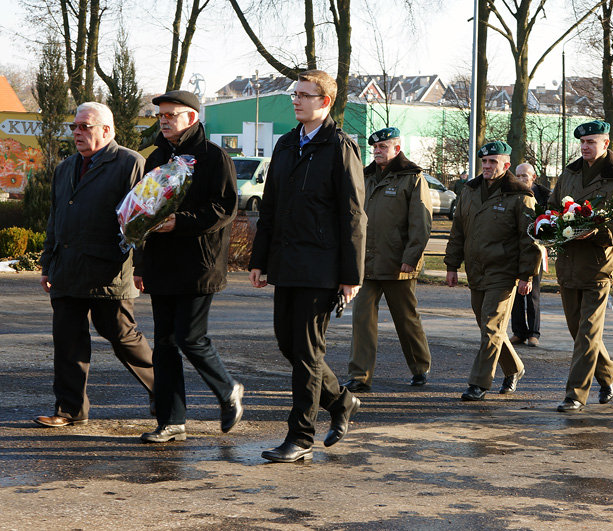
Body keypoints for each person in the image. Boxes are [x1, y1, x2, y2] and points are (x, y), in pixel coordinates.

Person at [249, 70, 366, 463]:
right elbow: (270, 209)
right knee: (289, 344)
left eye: (305, 95)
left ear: (325, 102)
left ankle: (300, 437)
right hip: (286, 262)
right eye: (295, 94)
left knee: (306, 353)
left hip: (321, 266)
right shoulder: (285, 144)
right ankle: (342, 400)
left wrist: (351, 276)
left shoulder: (339, 146)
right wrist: (259, 259)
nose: (296, 101)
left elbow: (353, 215)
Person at [35, 102, 155, 428]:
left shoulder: (130, 163)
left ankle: (166, 394)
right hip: (67, 268)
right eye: (75, 126)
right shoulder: (65, 168)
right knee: (68, 340)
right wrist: (47, 261)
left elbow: (143, 220)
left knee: (122, 336)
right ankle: (70, 410)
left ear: (106, 129)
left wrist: (142, 267)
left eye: (85, 126)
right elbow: (55, 218)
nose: (77, 132)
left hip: (109, 270)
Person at [136, 90, 243, 443]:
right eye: (160, 115)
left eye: (171, 114)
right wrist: (140, 264)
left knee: (190, 337)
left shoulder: (213, 156)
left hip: (199, 262)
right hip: (162, 263)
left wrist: (181, 222)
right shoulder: (157, 157)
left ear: (192, 118)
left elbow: (224, 208)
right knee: (164, 343)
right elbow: (145, 211)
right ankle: (171, 421)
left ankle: (228, 390)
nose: (163, 120)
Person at [548, 120, 613, 413]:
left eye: (591, 142)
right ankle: (609, 373)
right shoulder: (570, 172)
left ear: (606, 143)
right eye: (583, 143)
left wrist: (595, 232)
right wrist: (548, 226)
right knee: (578, 329)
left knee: (587, 331)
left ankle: (575, 394)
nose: (585, 147)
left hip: (600, 263)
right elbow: (553, 207)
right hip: (569, 261)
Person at [444, 141, 542, 401]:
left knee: (490, 327)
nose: (487, 166)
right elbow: (458, 231)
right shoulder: (470, 190)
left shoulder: (520, 195)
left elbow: (529, 240)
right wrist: (451, 265)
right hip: (476, 271)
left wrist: (526, 275)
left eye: (493, 162)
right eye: (484, 162)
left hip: (504, 272)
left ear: (506, 165)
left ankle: (479, 383)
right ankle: (514, 368)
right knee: (490, 328)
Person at [343, 127, 433, 393]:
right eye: (375, 148)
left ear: (397, 147)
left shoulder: (412, 177)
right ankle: (360, 375)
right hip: (366, 262)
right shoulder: (365, 176)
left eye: (383, 147)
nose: (377, 152)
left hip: (397, 263)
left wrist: (411, 257)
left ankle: (420, 367)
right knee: (361, 320)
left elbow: (421, 222)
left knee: (406, 319)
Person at [509, 162, 549, 348]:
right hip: (514, 249)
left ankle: (534, 333)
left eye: (525, 175)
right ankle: (519, 332)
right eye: (518, 175)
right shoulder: (510, 193)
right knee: (515, 293)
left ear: (533, 177)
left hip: (536, 250)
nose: (521, 179)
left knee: (533, 293)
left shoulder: (545, 196)